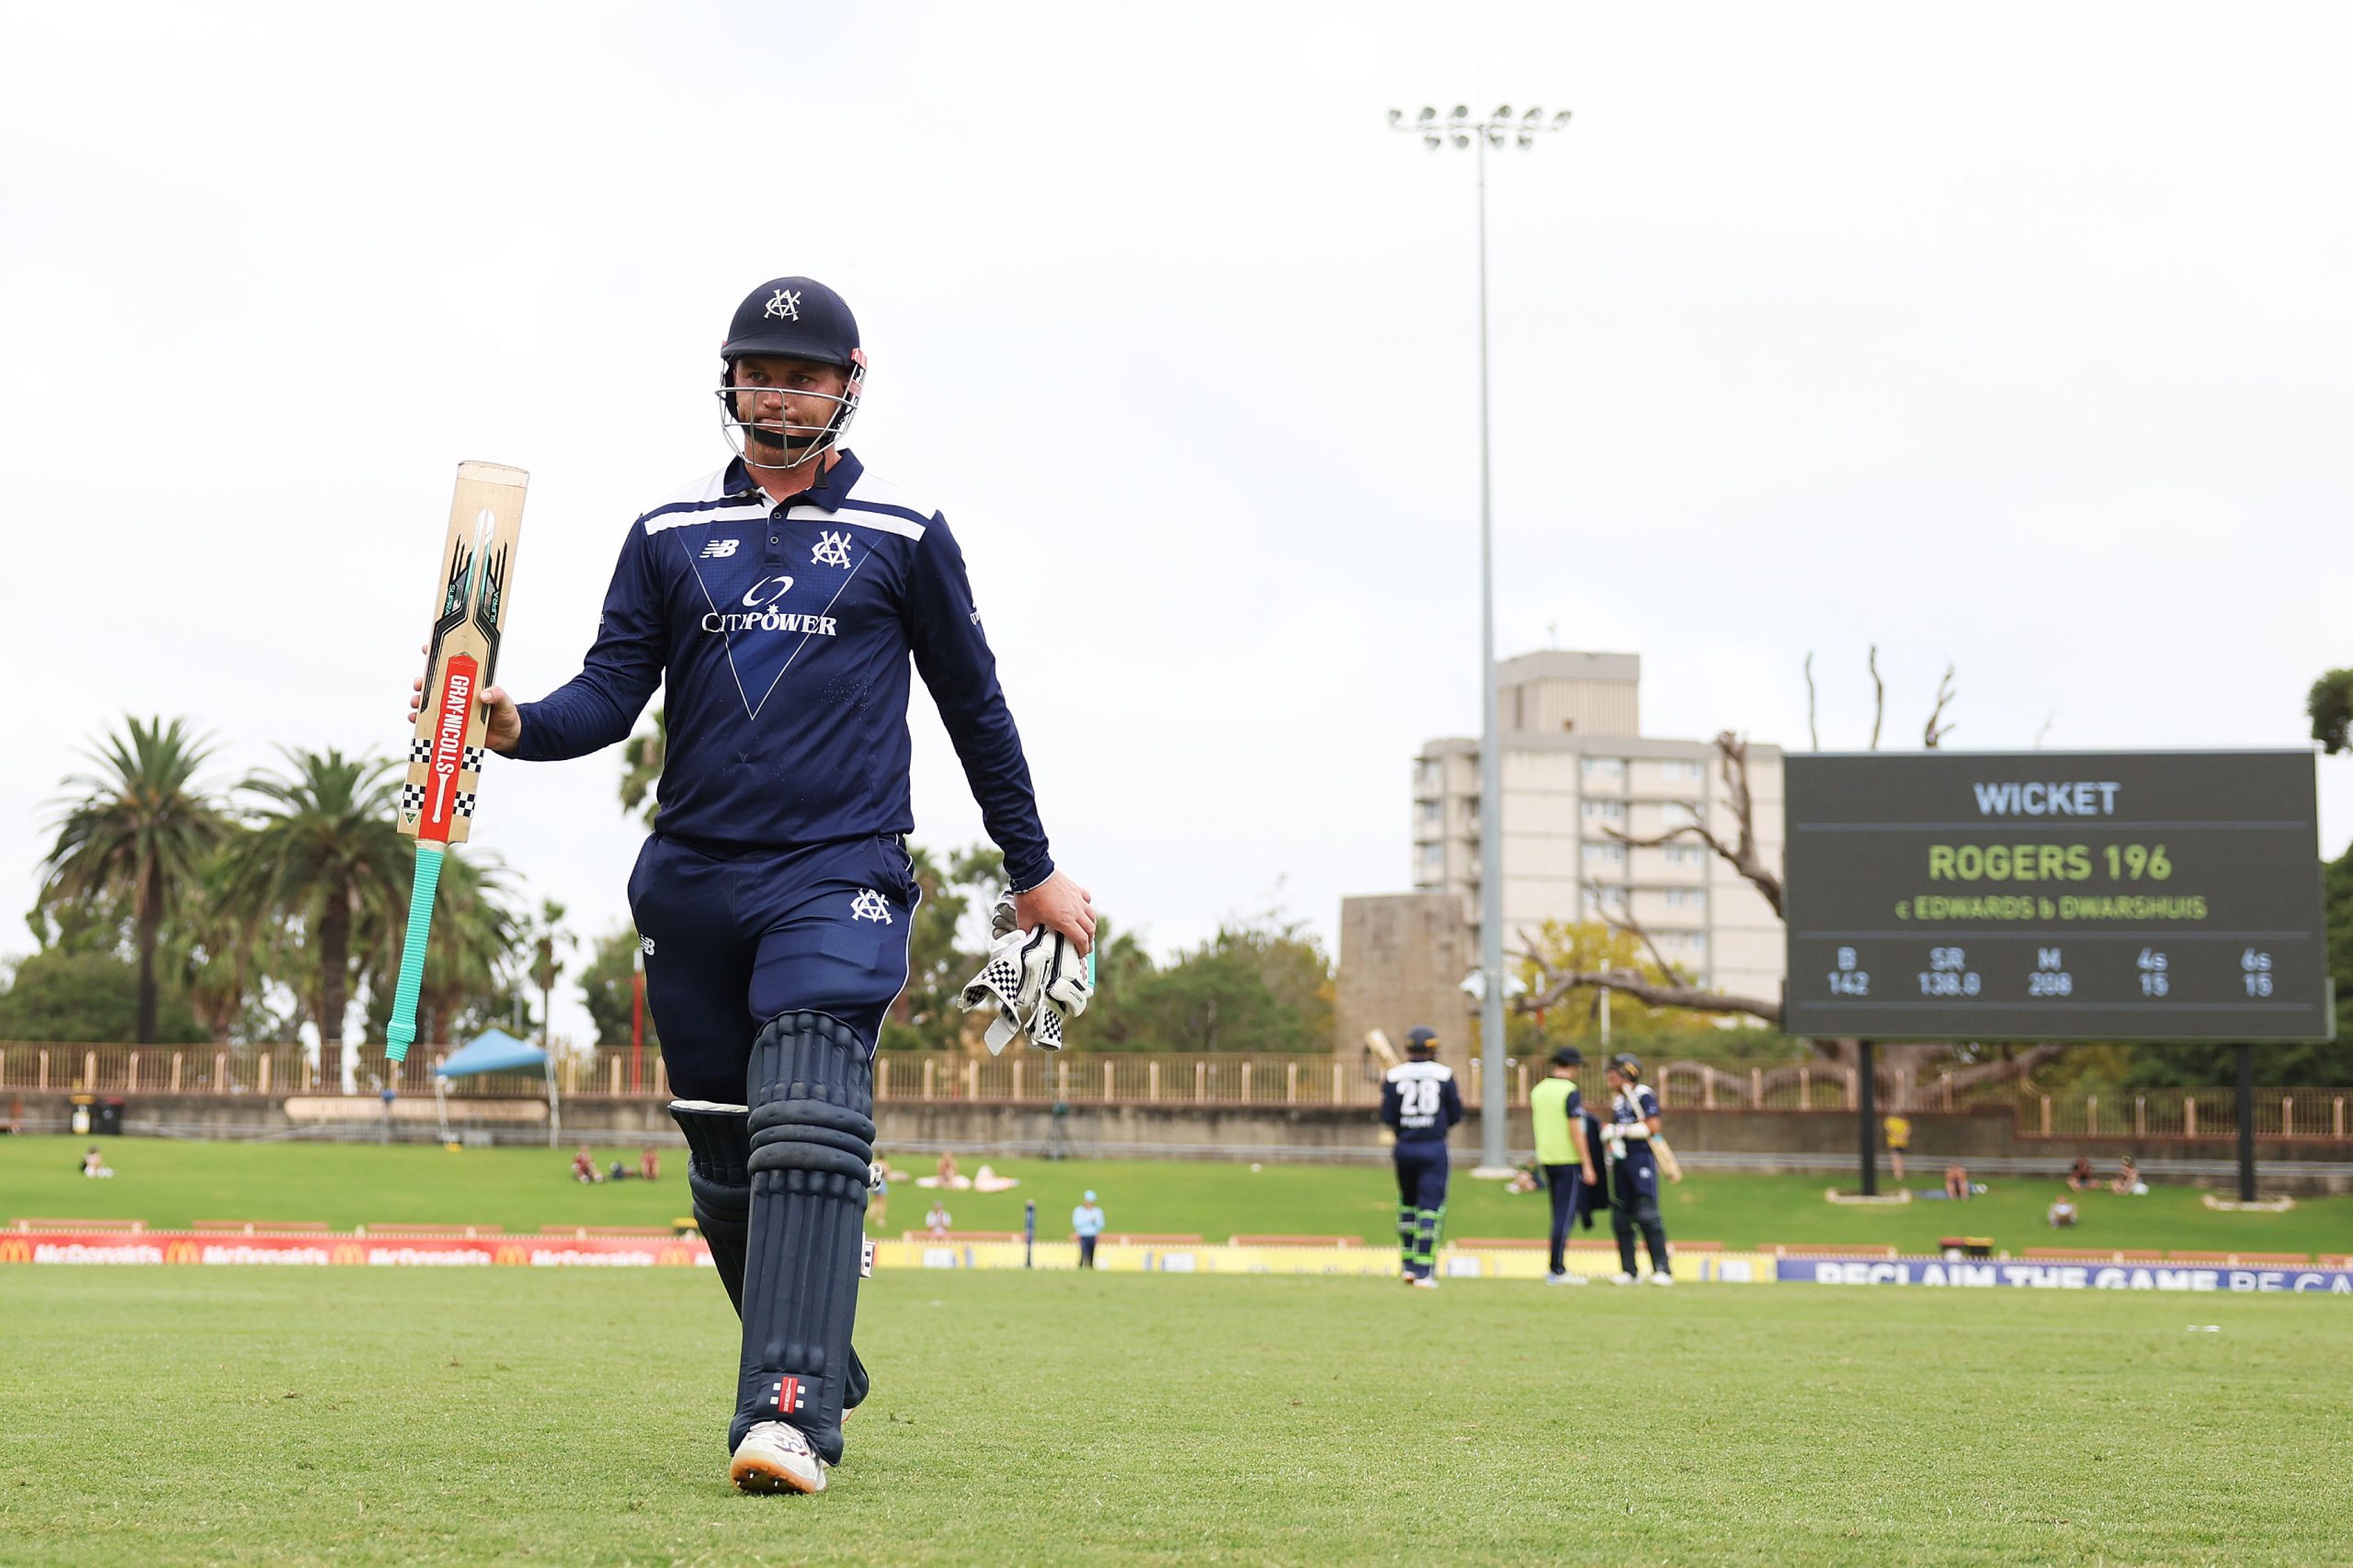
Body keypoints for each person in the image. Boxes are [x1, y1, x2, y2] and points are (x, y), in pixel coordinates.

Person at [410, 275, 1093, 1497]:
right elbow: (608, 695)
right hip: (693, 885)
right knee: (726, 1161)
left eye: (806, 371)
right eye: (761, 368)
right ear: (729, 381)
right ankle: (819, 1348)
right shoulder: (668, 533)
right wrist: (512, 724)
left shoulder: (904, 530)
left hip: (840, 875)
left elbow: (974, 705)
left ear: (849, 381)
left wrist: (1031, 867)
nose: (781, 390)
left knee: (811, 1117)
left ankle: (788, 1413)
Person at [1380, 1026, 1463, 1288]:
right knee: (1430, 1208)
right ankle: (1425, 1269)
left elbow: (1387, 1116)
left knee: (1407, 1204)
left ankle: (1407, 1265)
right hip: (1433, 1146)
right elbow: (1456, 1113)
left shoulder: (1393, 1076)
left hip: (1404, 1146)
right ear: (1432, 1048)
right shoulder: (1444, 1074)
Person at [1529, 1047, 1600, 1287]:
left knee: (1557, 1212)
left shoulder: (1538, 1090)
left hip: (1547, 1158)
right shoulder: (1569, 1091)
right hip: (1567, 1159)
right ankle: (1557, 1268)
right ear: (1573, 1066)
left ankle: (1555, 1266)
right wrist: (1587, 1164)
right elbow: (1575, 1129)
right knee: (1564, 1215)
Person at [1601, 1054, 1672, 1286]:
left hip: (1640, 1160)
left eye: (1613, 1073)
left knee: (1647, 1215)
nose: (1608, 1077)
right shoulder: (1619, 1102)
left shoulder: (1642, 1094)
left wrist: (1620, 1131)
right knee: (1621, 1218)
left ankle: (1662, 1269)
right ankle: (1629, 1271)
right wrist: (1610, 1137)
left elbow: (1652, 1126)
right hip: (1621, 1163)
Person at [1072, 1190, 1107, 1268]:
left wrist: (1095, 1222)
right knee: (1083, 1253)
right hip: (1083, 1235)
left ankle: (1090, 1267)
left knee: (1091, 1255)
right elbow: (1077, 1223)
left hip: (1093, 1235)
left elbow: (1101, 1224)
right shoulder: (1078, 1211)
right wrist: (1088, 1220)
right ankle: (1080, 1267)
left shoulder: (1098, 1212)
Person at [1882, 1111, 1911, 1182]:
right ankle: (1900, 1174)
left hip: (1894, 1143)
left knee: (1895, 1159)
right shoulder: (1904, 1121)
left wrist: (1896, 1136)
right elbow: (1908, 1131)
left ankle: (1897, 1175)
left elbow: (1889, 1129)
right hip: (1902, 1142)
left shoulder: (1890, 1120)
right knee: (1899, 1159)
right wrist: (1902, 1137)